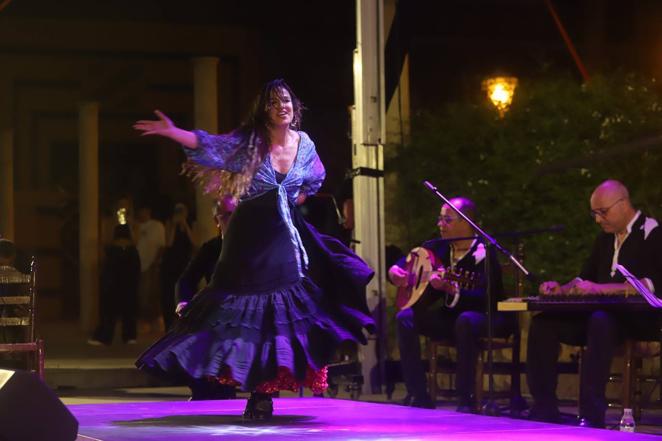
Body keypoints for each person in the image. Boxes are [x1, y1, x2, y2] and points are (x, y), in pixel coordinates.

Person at [134, 78, 375, 419]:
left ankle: (263, 393)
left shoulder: (304, 144)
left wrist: (292, 200)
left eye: (287, 101)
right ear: (263, 110)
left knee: (279, 312)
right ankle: (234, 383)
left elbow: (314, 179)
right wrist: (175, 133)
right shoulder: (250, 142)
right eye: (274, 102)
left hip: (284, 237)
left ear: (296, 107)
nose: (282, 106)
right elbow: (212, 145)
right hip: (247, 238)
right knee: (239, 312)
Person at [527, 179, 662, 428]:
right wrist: (562, 289)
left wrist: (602, 289)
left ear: (623, 204)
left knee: (600, 320)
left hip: (638, 319)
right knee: (544, 323)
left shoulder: (652, 232)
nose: (598, 220)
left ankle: (592, 413)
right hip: (601, 317)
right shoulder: (604, 239)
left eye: (603, 212)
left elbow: (653, 284)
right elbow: (586, 276)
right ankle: (544, 408)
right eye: (594, 214)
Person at [390, 197, 514, 411]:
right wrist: (395, 272)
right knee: (405, 318)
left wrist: (451, 289)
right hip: (452, 316)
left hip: (484, 315)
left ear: (466, 222)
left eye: (447, 220)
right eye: (440, 219)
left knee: (466, 320)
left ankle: (465, 399)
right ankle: (418, 395)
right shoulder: (437, 246)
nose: (440, 225)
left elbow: (487, 297)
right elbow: (408, 260)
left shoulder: (484, 252)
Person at [175, 196, 237, 400]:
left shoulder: (250, 249)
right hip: (217, 315)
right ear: (216, 221)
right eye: (226, 216)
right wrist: (183, 301)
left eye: (236, 215)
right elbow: (186, 280)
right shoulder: (211, 248)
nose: (232, 220)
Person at [88, 224, 141, 346]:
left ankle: (105, 337)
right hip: (129, 287)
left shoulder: (111, 250)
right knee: (129, 312)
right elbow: (137, 271)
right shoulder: (133, 251)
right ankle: (130, 336)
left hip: (113, 287)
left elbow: (107, 271)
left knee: (108, 313)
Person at [160, 202, 194, 331]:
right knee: (169, 293)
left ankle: (186, 322)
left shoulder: (188, 224)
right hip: (170, 263)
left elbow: (193, 242)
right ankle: (169, 324)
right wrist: (174, 226)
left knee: (185, 291)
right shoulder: (169, 223)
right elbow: (168, 243)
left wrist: (184, 224)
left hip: (184, 262)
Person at [135, 205, 166, 329]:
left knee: (150, 292)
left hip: (150, 264)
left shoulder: (157, 226)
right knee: (140, 293)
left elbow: (161, 245)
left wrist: (155, 261)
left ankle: (154, 320)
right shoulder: (135, 225)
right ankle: (144, 321)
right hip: (137, 265)